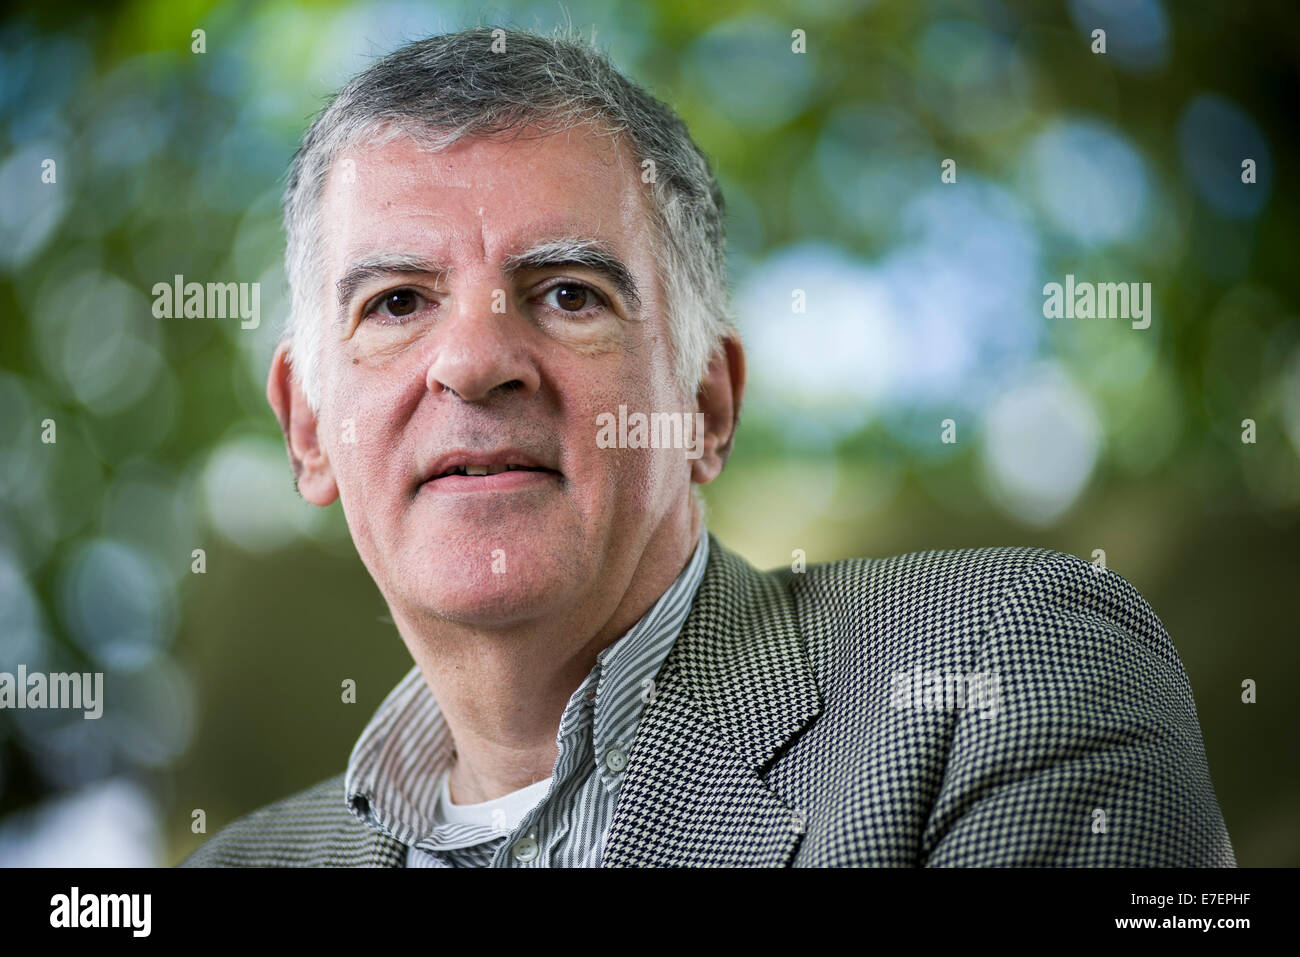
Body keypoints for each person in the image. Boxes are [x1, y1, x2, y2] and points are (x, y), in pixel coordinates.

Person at [181, 27, 1234, 867]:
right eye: (397, 300)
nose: (474, 363)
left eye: (567, 294)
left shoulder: (1002, 671)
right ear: (307, 429)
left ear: (707, 407)